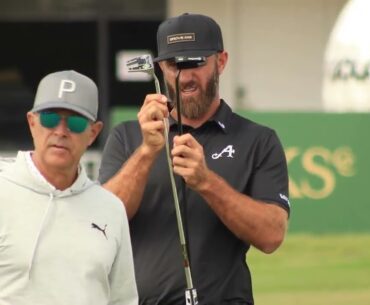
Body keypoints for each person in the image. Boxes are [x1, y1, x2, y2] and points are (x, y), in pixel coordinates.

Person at [99, 13, 290, 305]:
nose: (185, 77)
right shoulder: (128, 136)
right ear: (161, 67)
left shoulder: (258, 140)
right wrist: (147, 152)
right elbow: (103, 222)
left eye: (196, 63)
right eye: (175, 65)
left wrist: (207, 182)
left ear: (221, 61)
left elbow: (271, 235)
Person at [0, 70, 138, 305]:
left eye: (75, 122)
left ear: (93, 133)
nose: (61, 132)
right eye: (50, 119)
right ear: (32, 123)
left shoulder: (111, 208)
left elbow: (123, 299)